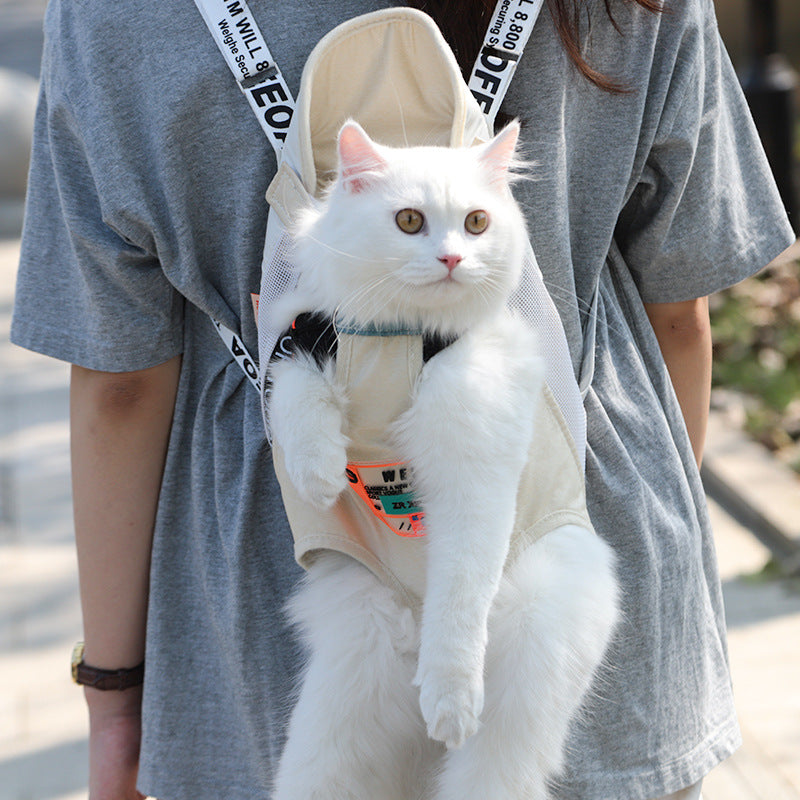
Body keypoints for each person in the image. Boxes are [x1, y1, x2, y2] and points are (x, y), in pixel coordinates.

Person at [11, 0, 795, 798]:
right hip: (579, 562)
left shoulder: (111, 15)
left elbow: (122, 383)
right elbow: (679, 316)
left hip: (262, 585)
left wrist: (114, 694)